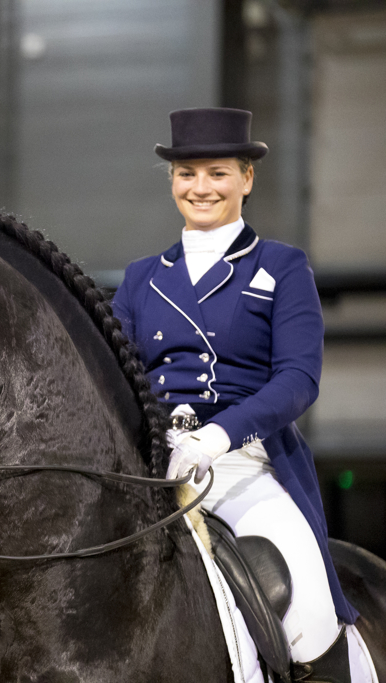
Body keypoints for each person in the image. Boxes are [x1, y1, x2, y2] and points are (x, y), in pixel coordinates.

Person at [111, 108, 364, 682]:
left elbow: (299, 378)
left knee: (308, 611)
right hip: (152, 463)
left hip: (243, 462)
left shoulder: (281, 266)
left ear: (246, 179)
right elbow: (117, 374)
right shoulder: (141, 278)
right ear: (173, 181)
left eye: (218, 173)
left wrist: (217, 436)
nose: (201, 188)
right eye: (187, 173)